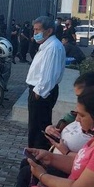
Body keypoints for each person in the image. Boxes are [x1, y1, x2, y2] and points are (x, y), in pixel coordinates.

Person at [26, 16, 66, 150]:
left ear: (49, 31)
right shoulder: (46, 46)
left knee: (39, 128)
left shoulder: (52, 47)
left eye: (38, 30)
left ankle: (38, 156)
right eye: (34, 30)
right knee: (36, 126)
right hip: (39, 90)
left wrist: (38, 92)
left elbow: (48, 74)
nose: (35, 33)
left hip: (42, 92)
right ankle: (35, 153)